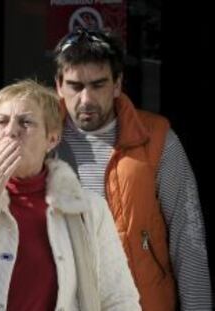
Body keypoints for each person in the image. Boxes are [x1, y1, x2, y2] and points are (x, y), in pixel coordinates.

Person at [0, 79, 141, 311]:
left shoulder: (89, 209)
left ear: (52, 138)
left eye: (25, 122)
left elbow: (119, 299)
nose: (11, 131)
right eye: (1, 121)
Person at [54, 27, 213, 311]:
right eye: (76, 86)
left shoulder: (156, 138)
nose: (86, 99)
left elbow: (188, 239)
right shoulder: (40, 141)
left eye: (98, 85)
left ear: (117, 84)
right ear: (59, 85)